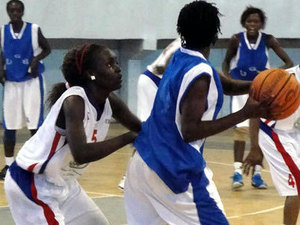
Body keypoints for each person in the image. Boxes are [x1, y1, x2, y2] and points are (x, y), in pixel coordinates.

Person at [124, 1, 275, 224]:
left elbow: (228, 85)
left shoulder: (180, 56)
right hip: (172, 169)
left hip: (142, 163)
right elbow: (190, 131)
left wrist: (261, 84)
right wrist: (245, 113)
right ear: (215, 34)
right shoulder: (200, 72)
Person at [4, 43, 141, 225]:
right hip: (32, 184)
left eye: (115, 63)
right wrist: (128, 137)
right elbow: (81, 153)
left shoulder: (110, 101)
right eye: (109, 65)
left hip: (64, 184)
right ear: (90, 74)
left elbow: (142, 129)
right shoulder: (74, 101)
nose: (117, 69)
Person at [222, 6, 293, 190]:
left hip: (262, 91)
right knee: (241, 130)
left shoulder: (268, 40)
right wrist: (228, 80)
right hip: (240, 89)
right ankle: (237, 172)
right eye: (249, 21)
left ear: (261, 24)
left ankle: (258, 175)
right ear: (244, 23)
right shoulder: (236, 40)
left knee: (260, 132)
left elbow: (289, 62)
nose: (252, 24)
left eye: (256, 21)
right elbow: (225, 62)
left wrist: (274, 75)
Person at [118, 38, 181, 189]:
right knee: (147, 131)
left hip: (153, 82)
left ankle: (165, 171)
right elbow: (167, 65)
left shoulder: (183, 39)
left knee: (164, 130)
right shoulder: (188, 43)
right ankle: (128, 177)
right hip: (153, 83)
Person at [0, 0, 51, 180]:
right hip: (12, 82)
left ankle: (35, 163)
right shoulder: (2, 32)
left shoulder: (34, 29)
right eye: (12, 10)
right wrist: (1, 70)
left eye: (18, 10)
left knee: (34, 126)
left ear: (22, 12)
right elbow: (1, 54)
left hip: (32, 81)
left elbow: (47, 48)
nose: (15, 13)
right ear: (8, 12)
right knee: (10, 126)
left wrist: (36, 59)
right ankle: (8, 165)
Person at [244, 66, 300, 225]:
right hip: (274, 133)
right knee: (298, 185)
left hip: (295, 131)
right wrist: (255, 148)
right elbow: (254, 110)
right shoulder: (282, 79)